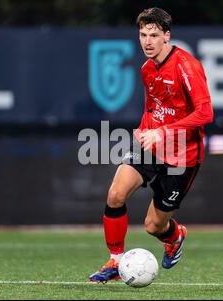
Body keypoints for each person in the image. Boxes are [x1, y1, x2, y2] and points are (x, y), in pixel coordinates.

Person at [89, 7, 214, 283]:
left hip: (183, 155)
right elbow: (154, 105)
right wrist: (146, 129)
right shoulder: (147, 68)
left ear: (167, 36)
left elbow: (206, 113)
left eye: (154, 35)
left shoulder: (186, 66)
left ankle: (174, 236)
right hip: (151, 145)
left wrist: (164, 132)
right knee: (115, 195)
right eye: (143, 34)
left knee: (153, 225)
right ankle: (116, 261)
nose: (147, 41)